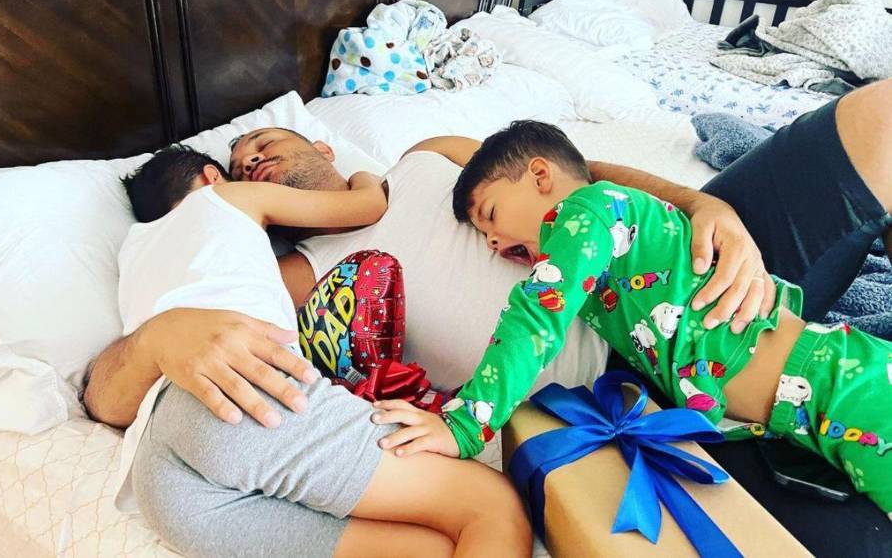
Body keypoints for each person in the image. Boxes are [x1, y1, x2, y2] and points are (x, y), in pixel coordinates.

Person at [371, 120, 892, 517]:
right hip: (803, 417)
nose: (492, 242)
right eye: (484, 237)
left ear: (540, 176)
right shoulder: (604, 256)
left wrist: (465, 425)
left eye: (490, 216)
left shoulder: (589, 210)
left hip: (838, 383)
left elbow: (535, 316)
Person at [117, 145, 531, 558]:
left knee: (433, 548)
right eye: (239, 166)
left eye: (261, 147)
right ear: (212, 176)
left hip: (160, 473)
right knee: (491, 507)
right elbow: (368, 204)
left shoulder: (133, 249)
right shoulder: (227, 196)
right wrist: (364, 173)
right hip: (241, 393)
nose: (251, 166)